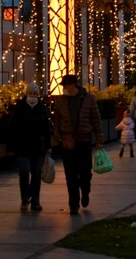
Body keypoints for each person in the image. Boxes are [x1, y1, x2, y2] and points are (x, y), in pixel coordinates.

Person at [52, 75, 104, 215]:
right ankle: (73, 204)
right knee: (70, 174)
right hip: (67, 141)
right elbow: (56, 120)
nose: (66, 89)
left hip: (84, 140)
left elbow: (96, 119)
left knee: (85, 171)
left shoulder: (88, 99)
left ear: (74, 85)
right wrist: (59, 138)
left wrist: (99, 139)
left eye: (68, 86)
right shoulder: (60, 101)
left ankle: (85, 190)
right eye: (64, 86)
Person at [6, 82, 52, 212]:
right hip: (22, 146)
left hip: (37, 147)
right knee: (24, 172)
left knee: (36, 174)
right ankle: (25, 198)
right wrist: (10, 146)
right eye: (30, 93)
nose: (32, 96)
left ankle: (35, 200)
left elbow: (46, 129)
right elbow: (12, 127)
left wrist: (48, 146)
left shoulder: (42, 109)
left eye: (35, 93)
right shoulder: (20, 107)